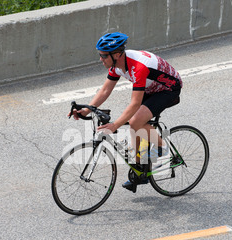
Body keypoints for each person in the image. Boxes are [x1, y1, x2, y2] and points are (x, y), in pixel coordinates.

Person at [70, 32, 182, 191]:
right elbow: (104, 91)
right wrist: (86, 111)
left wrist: (114, 125)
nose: (100, 59)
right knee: (133, 127)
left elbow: (135, 103)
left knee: (136, 121)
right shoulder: (117, 65)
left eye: (103, 56)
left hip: (168, 89)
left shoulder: (138, 67)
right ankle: (140, 172)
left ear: (116, 54)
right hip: (151, 88)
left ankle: (161, 147)